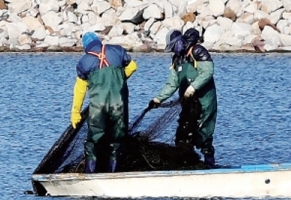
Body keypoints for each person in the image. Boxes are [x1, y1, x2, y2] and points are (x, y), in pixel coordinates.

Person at [149, 28, 218, 167]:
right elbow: (172, 84)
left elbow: (208, 72)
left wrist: (193, 87)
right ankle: (190, 164)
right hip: (187, 103)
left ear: (180, 42)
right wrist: (158, 99)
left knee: (203, 132)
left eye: (174, 47)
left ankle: (209, 163)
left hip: (205, 100)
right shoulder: (177, 59)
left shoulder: (197, 51)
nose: (173, 50)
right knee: (184, 133)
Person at [70, 31, 137, 174]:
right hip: (119, 105)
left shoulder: (84, 62)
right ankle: (113, 174)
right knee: (117, 141)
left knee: (94, 141)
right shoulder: (117, 51)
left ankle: (90, 174)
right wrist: (118, 78)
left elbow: (80, 89)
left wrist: (75, 112)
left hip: (98, 108)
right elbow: (132, 67)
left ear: (86, 47)